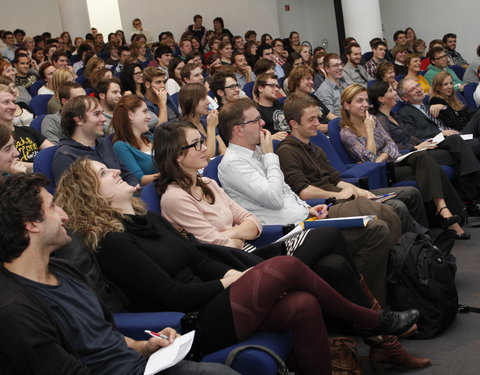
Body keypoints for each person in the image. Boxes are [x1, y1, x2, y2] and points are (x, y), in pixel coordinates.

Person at [54, 157, 418, 375]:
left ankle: (370, 325)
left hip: (216, 297)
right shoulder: (112, 242)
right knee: (288, 270)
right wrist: (229, 283)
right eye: (104, 174)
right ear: (92, 195)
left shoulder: (146, 218)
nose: (116, 171)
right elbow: (171, 294)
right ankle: (373, 321)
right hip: (191, 321)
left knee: (304, 305)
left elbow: (196, 257)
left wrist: (231, 275)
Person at [0, 174, 237, 375]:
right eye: (53, 207)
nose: (64, 216)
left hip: (144, 365)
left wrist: (145, 346)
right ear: (31, 224)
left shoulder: (65, 270)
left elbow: (105, 336)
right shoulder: (15, 311)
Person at [217, 97, 402, 304]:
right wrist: (271, 157)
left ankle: (371, 296)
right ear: (238, 130)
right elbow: (275, 199)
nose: (263, 124)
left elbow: (286, 191)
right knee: (376, 229)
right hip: (286, 233)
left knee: (379, 221)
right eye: (256, 120)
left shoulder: (257, 152)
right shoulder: (232, 164)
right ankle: (369, 304)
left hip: (307, 218)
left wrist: (308, 208)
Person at [277, 91, 430, 235]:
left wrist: (358, 191)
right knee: (397, 207)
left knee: (411, 193)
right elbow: (304, 191)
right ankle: (416, 250)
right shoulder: (287, 151)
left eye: (317, 117)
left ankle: (425, 246)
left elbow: (336, 179)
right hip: (328, 204)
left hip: (342, 195)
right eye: (311, 119)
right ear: (294, 123)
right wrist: (339, 195)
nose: (317, 123)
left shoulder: (315, 147)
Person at [338, 84, 468, 239]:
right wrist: (370, 132)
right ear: (347, 105)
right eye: (359, 101)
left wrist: (382, 156)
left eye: (366, 100)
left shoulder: (373, 119)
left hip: (395, 163)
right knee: (432, 168)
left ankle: (443, 210)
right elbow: (370, 161)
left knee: (423, 159)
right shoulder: (347, 132)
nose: (365, 104)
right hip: (381, 173)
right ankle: (451, 214)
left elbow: (392, 145)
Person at [370, 80, 480, 216]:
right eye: (391, 91)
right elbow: (390, 145)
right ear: (381, 99)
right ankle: (473, 199)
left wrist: (423, 142)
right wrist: (416, 146)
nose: (395, 94)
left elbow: (409, 135)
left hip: (421, 148)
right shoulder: (380, 119)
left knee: (457, 146)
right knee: (458, 149)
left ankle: (472, 200)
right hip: (409, 157)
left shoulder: (393, 115)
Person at [52, 95, 138, 186]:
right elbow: (74, 197)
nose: (104, 119)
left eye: (102, 113)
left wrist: (134, 188)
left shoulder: (104, 143)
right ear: (79, 120)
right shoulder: (66, 156)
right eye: (97, 114)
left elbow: (126, 174)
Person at [0, 84, 53, 172]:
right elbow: (9, 166)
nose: (13, 107)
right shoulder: (2, 139)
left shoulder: (28, 130)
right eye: (6, 102)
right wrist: (43, 165)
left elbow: (53, 152)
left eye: (13, 102)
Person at [111, 95, 158, 185]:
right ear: (130, 115)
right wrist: (168, 175)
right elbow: (139, 179)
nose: (149, 117)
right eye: (144, 111)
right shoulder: (121, 146)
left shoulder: (152, 138)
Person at [179, 83, 226, 158]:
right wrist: (211, 127)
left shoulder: (205, 121)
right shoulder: (184, 128)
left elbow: (223, 151)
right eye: (203, 99)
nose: (208, 102)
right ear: (191, 102)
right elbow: (205, 157)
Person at [254, 73, 289, 140]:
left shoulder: (281, 104)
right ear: (260, 88)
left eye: (277, 86)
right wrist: (271, 138)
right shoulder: (256, 112)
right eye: (272, 86)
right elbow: (254, 138)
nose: (277, 89)